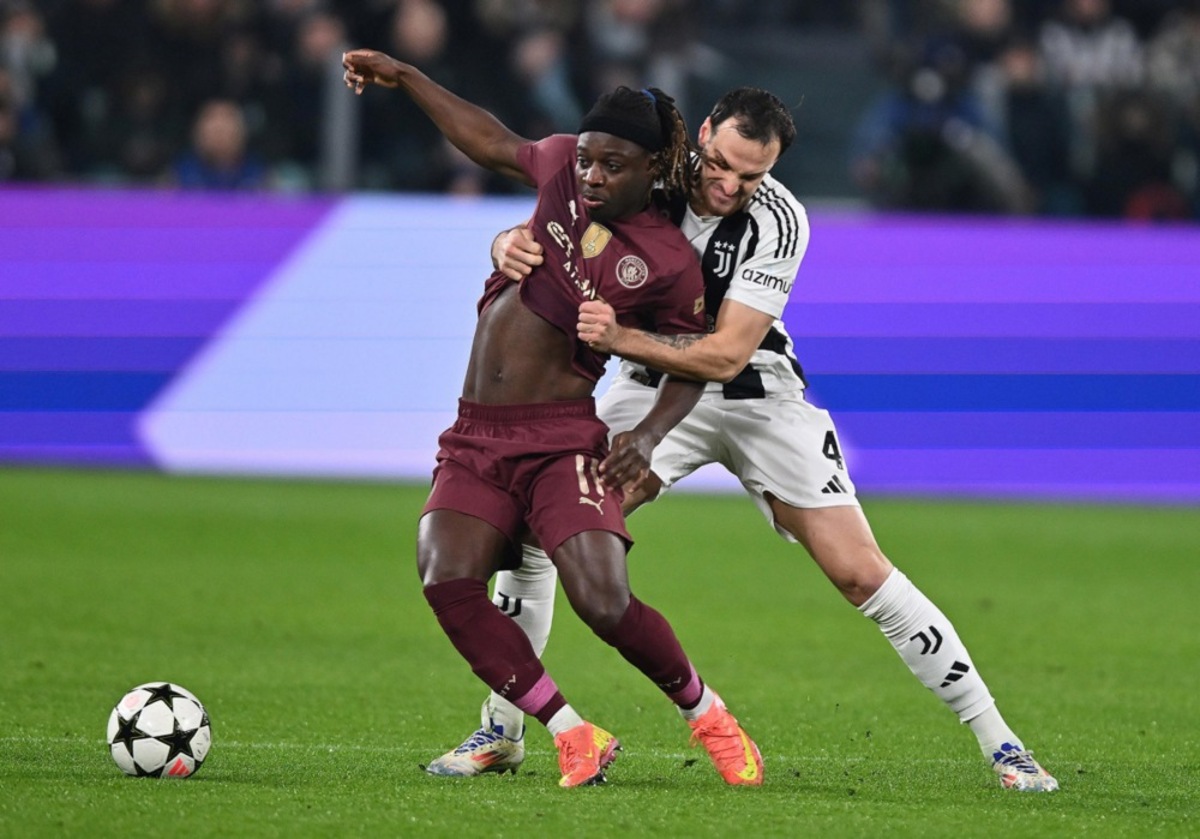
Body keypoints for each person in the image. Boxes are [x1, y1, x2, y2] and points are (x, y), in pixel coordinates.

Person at [429, 86, 1059, 793]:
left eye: (751, 175)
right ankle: (504, 730)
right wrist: (506, 241)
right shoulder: (650, 169)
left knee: (859, 569)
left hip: (759, 396)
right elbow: (559, 215)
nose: (729, 185)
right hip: (650, 383)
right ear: (701, 135)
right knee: (542, 533)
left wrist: (623, 337)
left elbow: (726, 354)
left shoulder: (780, 220)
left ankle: (1003, 742)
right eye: (721, 164)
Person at [340, 48, 764, 789]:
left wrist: (650, 432)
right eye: (589, 160)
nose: (592, 176)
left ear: (650, 170)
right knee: (445, 575)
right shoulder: (563, 165)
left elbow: (694, 363)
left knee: (602, 599)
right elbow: (491, 140)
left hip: (560, 437)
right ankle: (572, 732)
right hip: (474, 434)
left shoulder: (667, 262)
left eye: (612, 166)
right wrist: (407, 79)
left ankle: (708, 713)